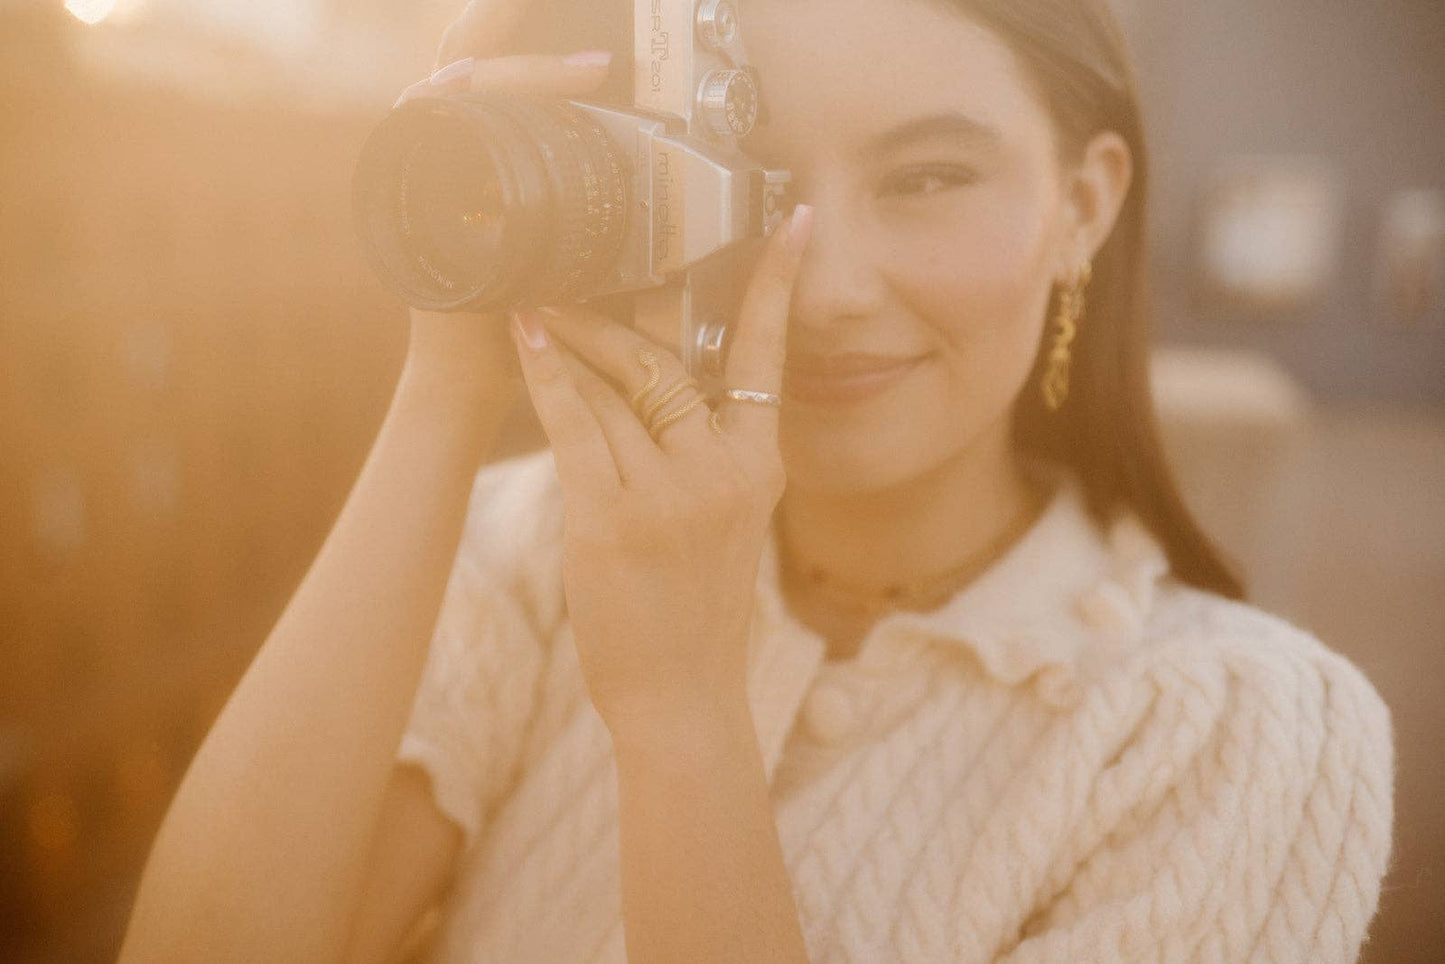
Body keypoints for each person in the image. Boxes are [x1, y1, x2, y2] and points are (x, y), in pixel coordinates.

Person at [119, 0, 1396, 961]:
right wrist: (448, 376)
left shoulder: (1233, 734)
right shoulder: (534, 544)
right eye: (754, 178)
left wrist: (681, 712)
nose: (828, 285)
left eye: (928, 177)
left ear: (1081, 203)